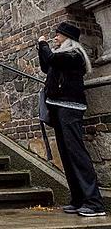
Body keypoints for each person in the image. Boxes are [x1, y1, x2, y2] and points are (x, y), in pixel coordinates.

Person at [38, 22, 106, 218]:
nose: (55, 38)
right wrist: (40, 48)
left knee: (76, 153)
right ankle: (78, 200)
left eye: (58, 35)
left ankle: (94, 203)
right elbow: (46, 65)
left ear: (68, 37)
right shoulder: (61, 55)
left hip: (70, 108)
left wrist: (43, 44)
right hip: (58, 107)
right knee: (67, 156)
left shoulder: (74, 55)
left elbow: (50, 57)